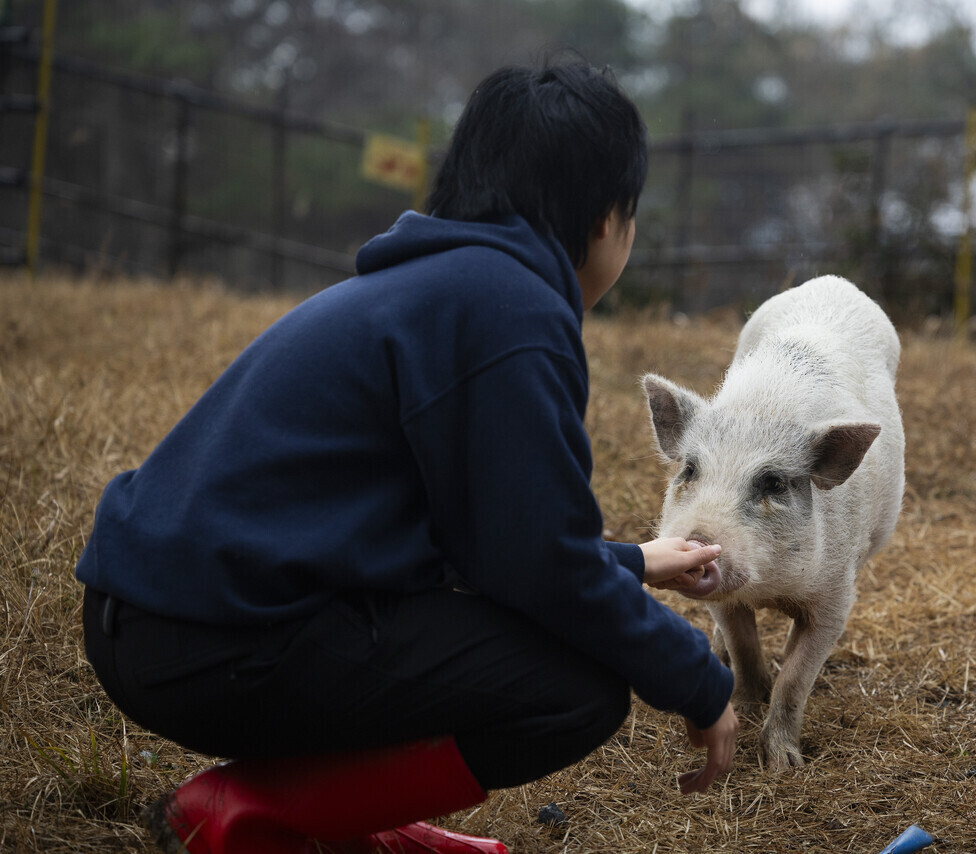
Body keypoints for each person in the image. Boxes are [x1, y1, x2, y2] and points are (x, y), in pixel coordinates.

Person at [76, 60, 737, 854]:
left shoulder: (440, 287)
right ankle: (254, 811)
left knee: (503, 645)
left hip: (155, 623)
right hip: (221, 643)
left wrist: (629, 562)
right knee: (574, 688)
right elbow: (536, 568)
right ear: (605, 220)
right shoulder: (510, 310)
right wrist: (698, 680)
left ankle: (341, 818)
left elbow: (483, 542)